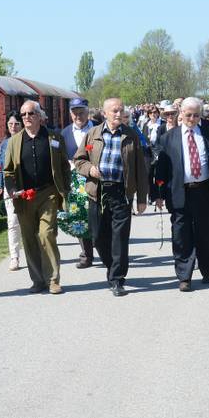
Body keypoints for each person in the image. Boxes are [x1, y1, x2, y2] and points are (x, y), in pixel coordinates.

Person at [154, 97, 209, 292]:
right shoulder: (168, 138)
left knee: (208, 233)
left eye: (196, 115)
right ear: (180, 114)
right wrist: (158, 194)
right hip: (179, 192)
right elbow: (160, 170)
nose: (192, 118)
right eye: (188, 115)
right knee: (181, 235)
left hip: (205, 191)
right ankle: (184, 276)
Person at [74, 98, 149, 297]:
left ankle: (117, 278)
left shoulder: (131, 135)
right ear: (105, 113)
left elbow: (141, 169)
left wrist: (142, 198)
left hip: (121, 194)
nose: (118, 114)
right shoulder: (93, 134)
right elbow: (79, 159)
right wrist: (90, 169)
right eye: (114, 111)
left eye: (121, 110)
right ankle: (111, 266)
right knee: (98, 237)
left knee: (120, 238)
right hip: (97, 192)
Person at [3, 100, 71, 294]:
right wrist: (11, 189)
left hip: (48, 193)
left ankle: (53, 280)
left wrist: (65, 190)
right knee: (29, 238)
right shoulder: (14, 141)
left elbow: (64, 165)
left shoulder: (53, 137)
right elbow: (7, 171)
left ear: (40, 116)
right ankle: (37, 280)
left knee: (46, 234)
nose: (26, 118)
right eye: (23, 115)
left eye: (30, 113)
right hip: (24, 196)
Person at [60, 98, 96, 268]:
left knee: (98, 214)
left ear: (87, 112)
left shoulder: (98, 129)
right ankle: (86, 254)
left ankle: (103, 247)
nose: (78, 116)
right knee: (78, 216)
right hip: (74, 181)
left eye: (81, 112)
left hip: (95, 179)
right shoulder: (64, 134)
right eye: (75, 112)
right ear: (70, 114)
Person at [0, 111, 23, 271]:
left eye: (16, 124)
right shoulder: (4, 144)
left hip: (25, 187)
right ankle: (15, 257)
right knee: (12, 222)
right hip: (9, 187)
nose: (13, 127)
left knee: (27, 222)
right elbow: (0, 168)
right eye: (10, 124)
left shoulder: (27, 140)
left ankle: (37, 253)